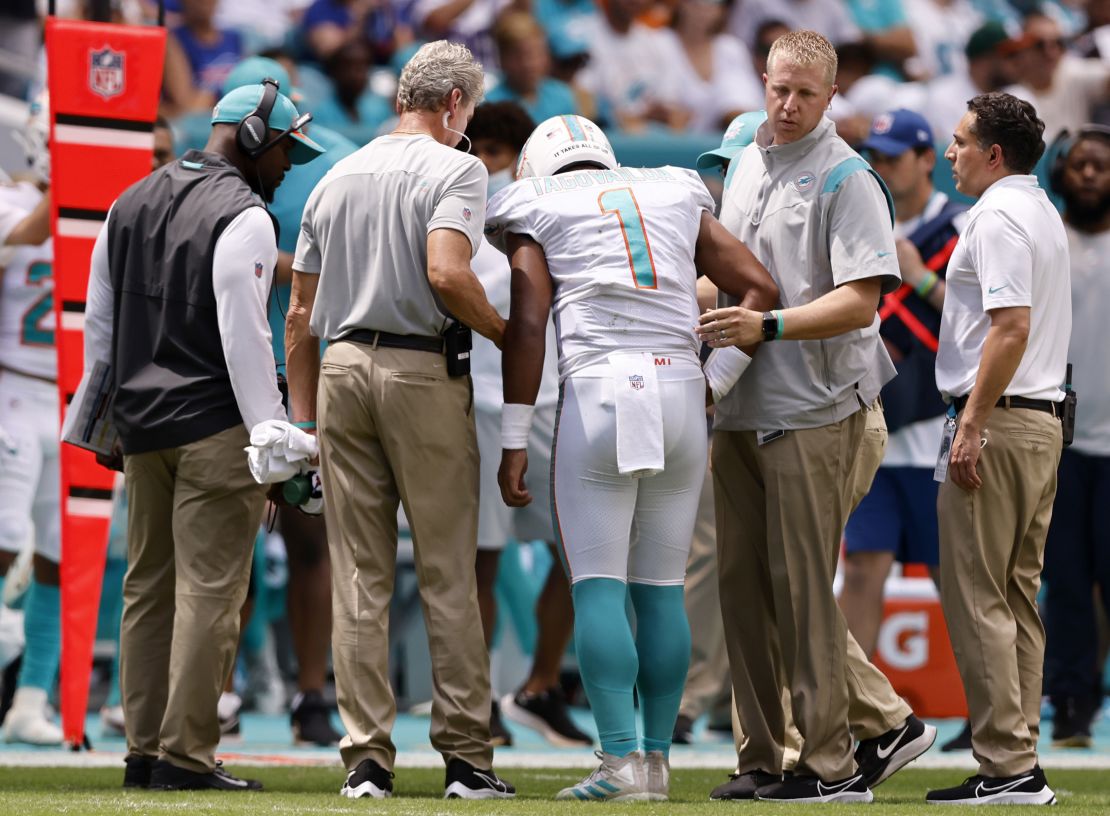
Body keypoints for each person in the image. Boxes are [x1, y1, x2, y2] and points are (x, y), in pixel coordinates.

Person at [487, 113, 779, 801]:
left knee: (597, 586)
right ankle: (655, 763)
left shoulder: (534, 202)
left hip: (599, 391)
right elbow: (760, 289)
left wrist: (512, 435)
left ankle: (618, 765)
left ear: (538, 166)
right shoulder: (671, 188)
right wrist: (716, 381)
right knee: (660, 591)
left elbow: (529, 320)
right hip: (680, 387)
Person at [695, 30, 932, 803]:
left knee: (799, 589)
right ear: (761, 82)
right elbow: (731, 280)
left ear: (832, 97)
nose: (789, 103)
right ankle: (763, 755)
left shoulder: (847, 177)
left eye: (806, 93)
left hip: (815, 405)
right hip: (740, 402)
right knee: (741, 588)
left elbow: (863, 298)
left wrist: (768, 326)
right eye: (779, 88)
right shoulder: (744, 163)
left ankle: (828, 764)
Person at [71, 79, 325, 791]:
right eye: (283, 150)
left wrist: (104, 424)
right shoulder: (245, 217)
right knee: (210, 593)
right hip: (216, 426)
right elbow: (243, 336)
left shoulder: (129, 201)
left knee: (146, 588)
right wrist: (269, 440)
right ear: (250, 138)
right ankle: (185, 756)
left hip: (143, 428)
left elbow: (101, 327)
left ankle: (142, 751)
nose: (287, 167)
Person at [284, 40, 515, 801]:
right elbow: (448, 272)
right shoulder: (458, 168)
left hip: (342, 368)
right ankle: (466, 759)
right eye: (469, 112)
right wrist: (506, 334)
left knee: (359, 573)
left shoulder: (336, 175)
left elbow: (299, 314)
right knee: (449, 569)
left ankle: (366, 760)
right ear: (454, 105)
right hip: (422, 367)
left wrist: (304, 421)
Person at [927, 91, 1069, 805]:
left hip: (1003, 419)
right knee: (1013, 596)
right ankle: (1017, 761)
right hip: (1038, 420)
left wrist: (974, 421)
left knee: (980, 595)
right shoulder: (1040, 211)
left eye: (958, 142)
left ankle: (1007, 767)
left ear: (993, 154)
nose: (948, 154)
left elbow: (1009, 327)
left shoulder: (998, 216)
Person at [222, 55, 359, 748]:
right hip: (296, 365)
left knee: (249, 543)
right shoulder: (342, 155)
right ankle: (302, 691)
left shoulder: (331, 158)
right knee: (295, 543)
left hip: (283, 364)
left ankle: (238, 692)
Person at [460, 101, 593, 750]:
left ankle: (540, 685)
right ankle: (478, 700)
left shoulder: (548, 207)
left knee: (582, 554)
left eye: (501, 152)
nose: (492, 166)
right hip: (486, 404)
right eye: (481, 150)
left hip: (553, 403)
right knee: (480, 563)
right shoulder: (452, 209)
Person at [840, 109, 967, 657]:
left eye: (894, 157)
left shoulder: (962, 228)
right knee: (864, 569)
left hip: (937, 432)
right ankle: (850, 711)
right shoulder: (858, 227)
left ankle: (986, 713)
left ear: (924, 161)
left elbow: (988, 322)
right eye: (875, 158)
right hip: (871, 429)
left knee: (954, 578)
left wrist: (918, 277)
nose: (882, 168)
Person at [1042, 124, 1110, 749]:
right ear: (1061, 172)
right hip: (1060, 445)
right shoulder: (1049, 242)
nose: (1090, 174)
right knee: (1064, 580)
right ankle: (1070, 703)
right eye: (1080, 164)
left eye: (1101, 165)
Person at [0, 99, 58, 746]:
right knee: (6, 536)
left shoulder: (96, 215)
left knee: (57, 552)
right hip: (14, 388)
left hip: (68, 398)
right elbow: (35, 233)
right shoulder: (11, 203)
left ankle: (32, 698)